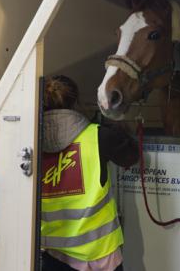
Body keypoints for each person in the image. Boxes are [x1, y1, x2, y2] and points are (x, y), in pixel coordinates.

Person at [40, 75, 138, 271]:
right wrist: (112, 123)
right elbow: (131, 155)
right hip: (100, 257)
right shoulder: (98, 136)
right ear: (76, 103)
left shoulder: (31, 141)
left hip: (53, 255)